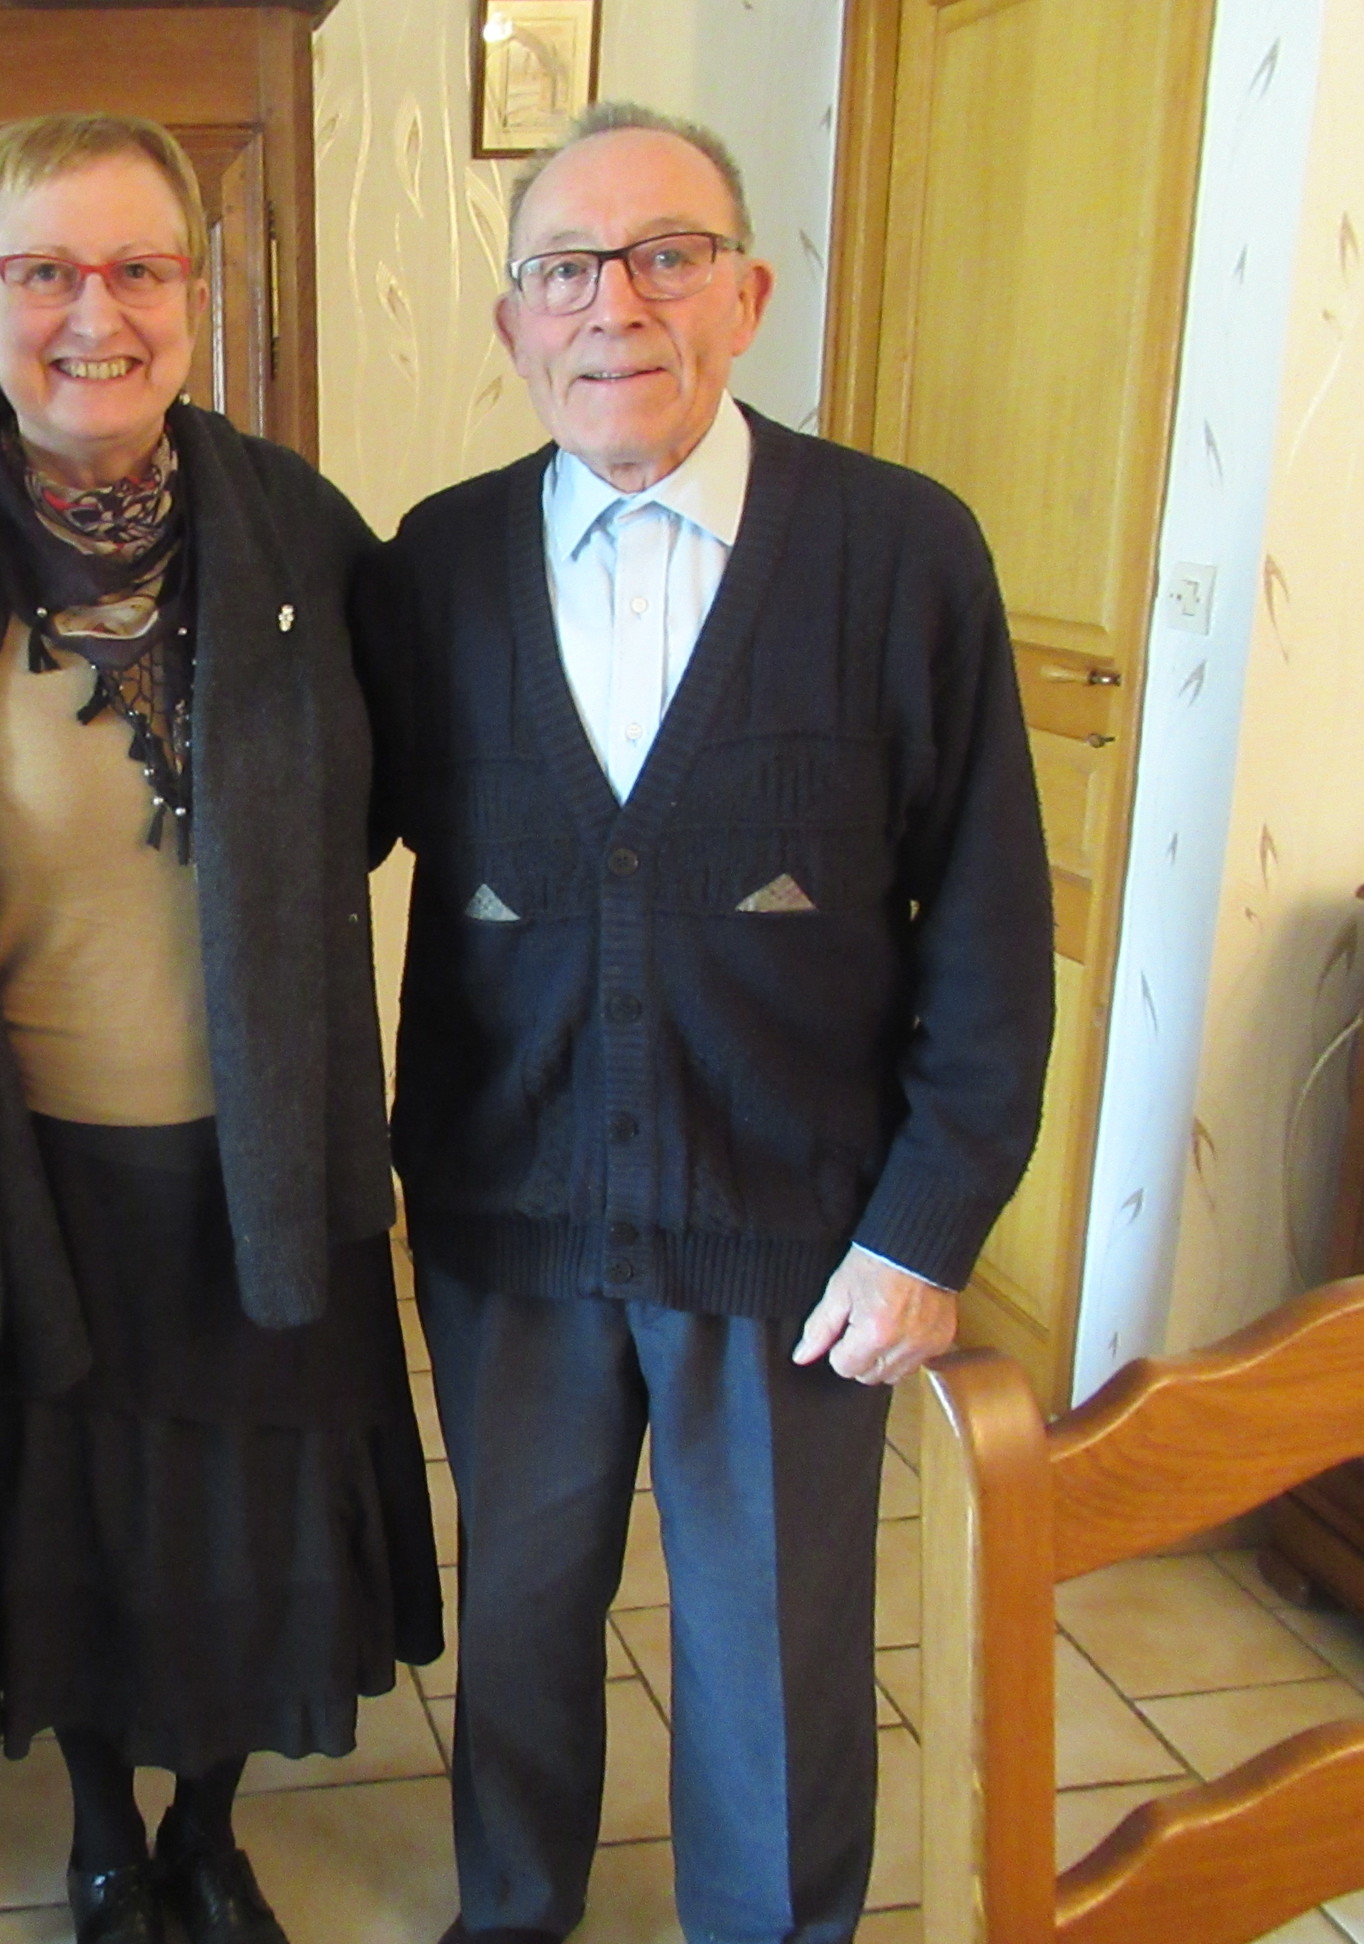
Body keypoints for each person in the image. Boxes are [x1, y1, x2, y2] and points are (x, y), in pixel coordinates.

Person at [355, 103, 1055, 1944]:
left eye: (667, 257)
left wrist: (928, 1228)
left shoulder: (902, 553)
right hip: (510, 1221)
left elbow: (992, 926)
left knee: (777, 1652)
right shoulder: (432, 569)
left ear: (745, 296)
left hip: (799, 1236)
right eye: (566, 270)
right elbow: (309, 840)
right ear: (513, 324)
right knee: (519, 1623)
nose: (616, 306)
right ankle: (515, 1915)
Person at [0, 112, 442, 1944]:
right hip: (29, 1168)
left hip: (267, 1146)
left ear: (195, 294)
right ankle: (98, 1833)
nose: (99, 312)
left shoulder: (301, 530)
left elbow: (392, 781)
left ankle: (208, 1833)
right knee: (74, 1522)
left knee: (248, 1521)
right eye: (47, 272)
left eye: (140, 268)